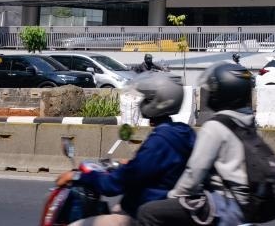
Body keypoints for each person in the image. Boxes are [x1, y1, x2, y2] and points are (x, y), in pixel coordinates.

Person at [56, 73, 196, 226]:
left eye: (146, 99)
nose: (141, 103)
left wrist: (78, 176)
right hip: (162, 206)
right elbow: (154, 168)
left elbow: (114, 185)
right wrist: (131, 164)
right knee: (117, 208)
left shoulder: (159, 141)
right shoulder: (183, 133)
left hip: (143, 211)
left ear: (157, 102)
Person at [136, 63, 256, 226]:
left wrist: (173, 196)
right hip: (246, 203)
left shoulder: (215, 127)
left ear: (225, 92)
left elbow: (194, 173)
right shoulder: (247, 123)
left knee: (148, 212)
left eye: (214, 89)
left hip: (224, 204)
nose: (211, 94)